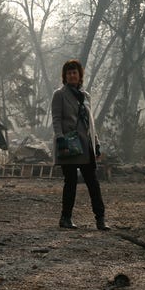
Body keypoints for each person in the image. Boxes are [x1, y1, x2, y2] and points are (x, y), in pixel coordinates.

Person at [51, 59, 109, 230]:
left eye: (74, 72)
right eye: (69, 73)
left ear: (80, 75)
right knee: (70, 182)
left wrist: (96, 143)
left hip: (86, 145)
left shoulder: (86, 96)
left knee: (93, 182)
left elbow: (90, 122)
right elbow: (56, 118)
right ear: (65, 76)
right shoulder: (59, 94)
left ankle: (100, 218)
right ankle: (65, 218)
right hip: (68, 143)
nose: (72, 75)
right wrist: (59, 137)